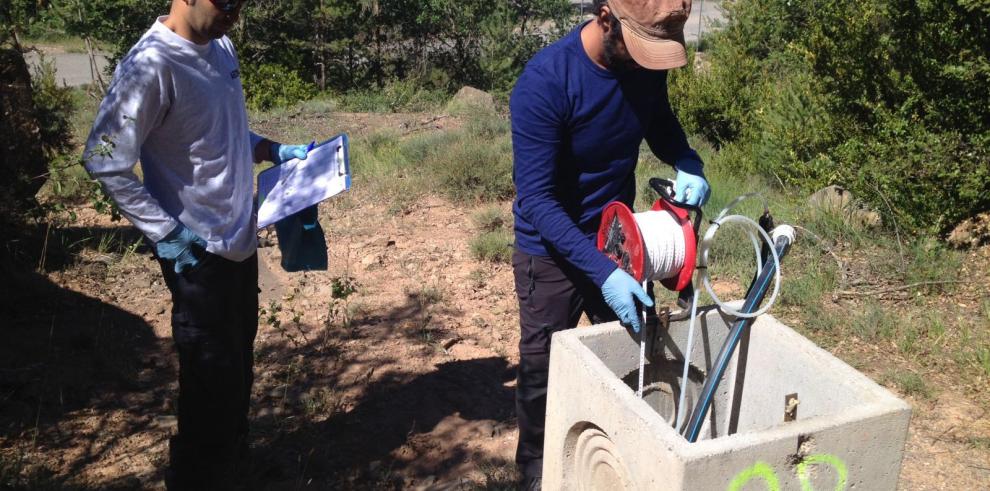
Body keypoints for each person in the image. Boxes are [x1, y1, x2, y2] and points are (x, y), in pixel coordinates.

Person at [82, 0, 313, 488]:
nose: (235, 13)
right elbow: (104, 159)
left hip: (240, 240)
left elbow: (216, 129)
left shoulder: (220, 44)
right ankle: (197, 477)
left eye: (243, 3)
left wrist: (270, 149)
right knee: (209, 378)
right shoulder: (150, 66)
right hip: (196, 252)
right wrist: (166, 234)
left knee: (238, 364)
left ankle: (233, 464)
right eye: (225, 2)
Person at [509, 0, 710, 488]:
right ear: (605, 18)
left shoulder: (643, 67)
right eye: (643, 46)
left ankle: (613, 462)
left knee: (629, 358)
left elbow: (659, 124)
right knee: (544, 368)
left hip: (616, 238)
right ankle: (536, 471)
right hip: (549, 248)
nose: (649, 60)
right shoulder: (545, 83)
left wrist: (689, 160)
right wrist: (603, 273)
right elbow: (537, 200)